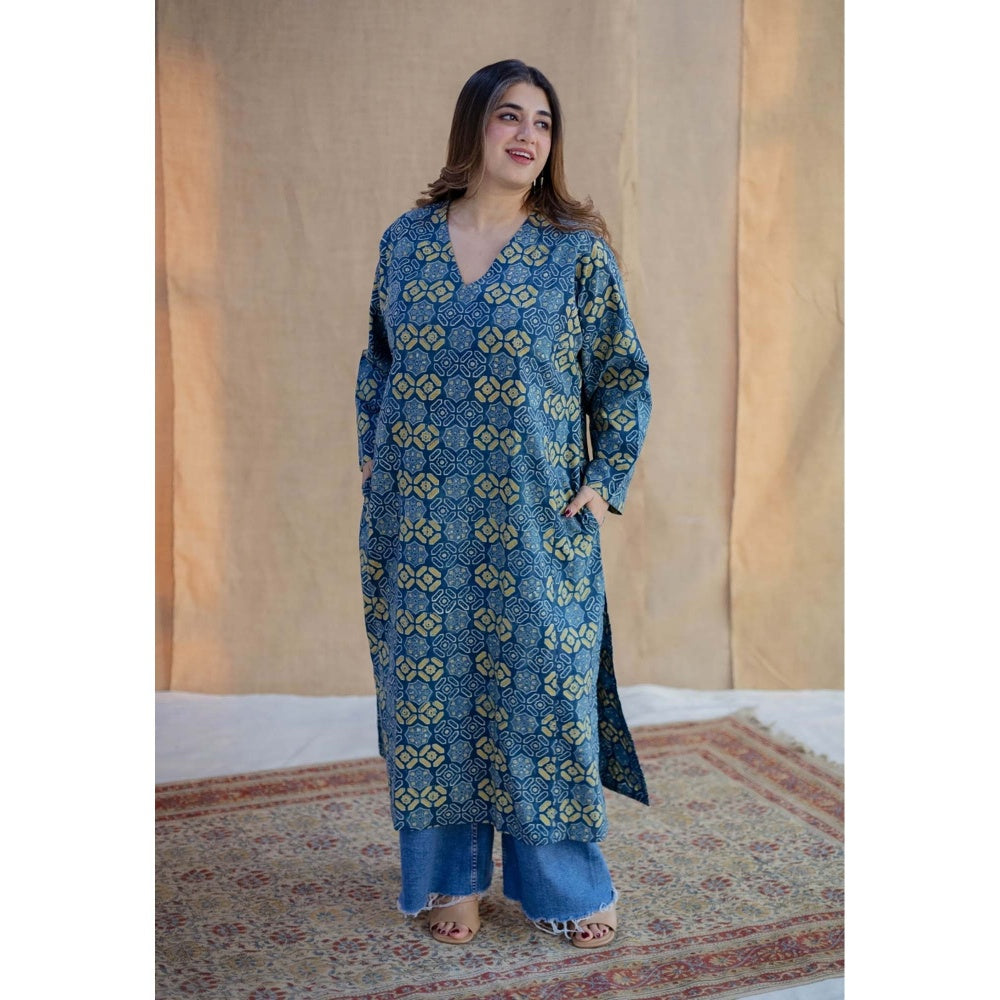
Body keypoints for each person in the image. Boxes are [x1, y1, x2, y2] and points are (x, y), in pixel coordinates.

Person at [355, 59, 652, 949]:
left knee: (541, 707)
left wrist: (606, 476)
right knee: (432, 700)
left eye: (544, 122)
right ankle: (446, 880)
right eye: (509, 117)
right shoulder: (407, 242)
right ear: (474, 128)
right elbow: (379, 360)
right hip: (420, 524)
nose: (528, 135)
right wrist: (372, 455)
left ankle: (565, 885)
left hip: (534, 524)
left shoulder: (574, 255)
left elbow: (623, 375)